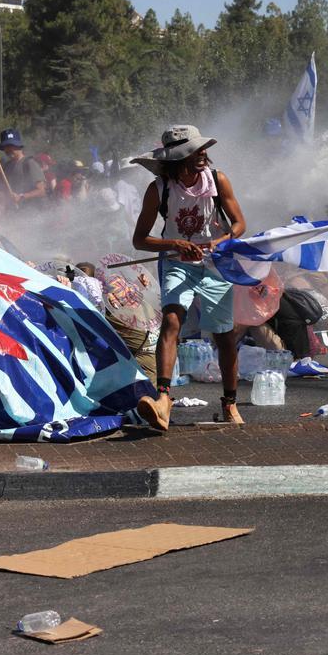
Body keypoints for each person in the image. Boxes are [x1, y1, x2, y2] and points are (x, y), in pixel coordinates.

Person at [130, 125, 246, 429]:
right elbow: (140, 240)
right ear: (176, 160)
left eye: (202, 149)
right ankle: (163, 400)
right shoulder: (159, 189)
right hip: (176, 263)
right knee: (171, 321)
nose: (202, 155)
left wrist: (218, 243)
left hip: (215, 265)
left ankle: (230, 403)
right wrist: (175, 244)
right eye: (194, 151)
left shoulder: (218, 180)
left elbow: (239, 224)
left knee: (224, 335)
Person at [0, 129, 47, 209]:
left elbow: (42, 191)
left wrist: (21, 197)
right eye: (5, 147)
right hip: (12, 214)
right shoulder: (7, 166)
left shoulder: (29, 163)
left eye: (11, 146)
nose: (8, 150)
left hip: (30, 212)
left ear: (19, 146)